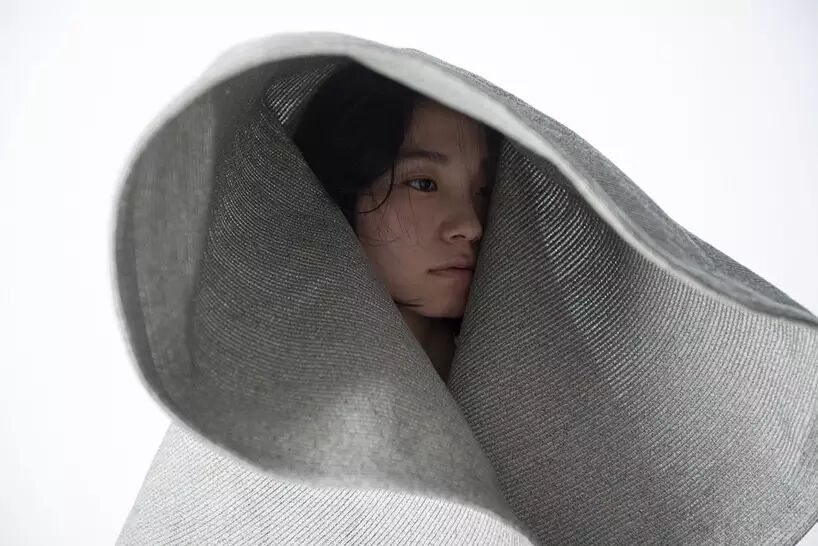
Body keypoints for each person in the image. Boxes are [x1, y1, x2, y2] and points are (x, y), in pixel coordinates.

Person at [293, 62, 502, 382]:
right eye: (423, 184)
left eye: (484, 191)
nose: (472, 227)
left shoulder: (509, 369)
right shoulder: (313, 377)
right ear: (340, 192)